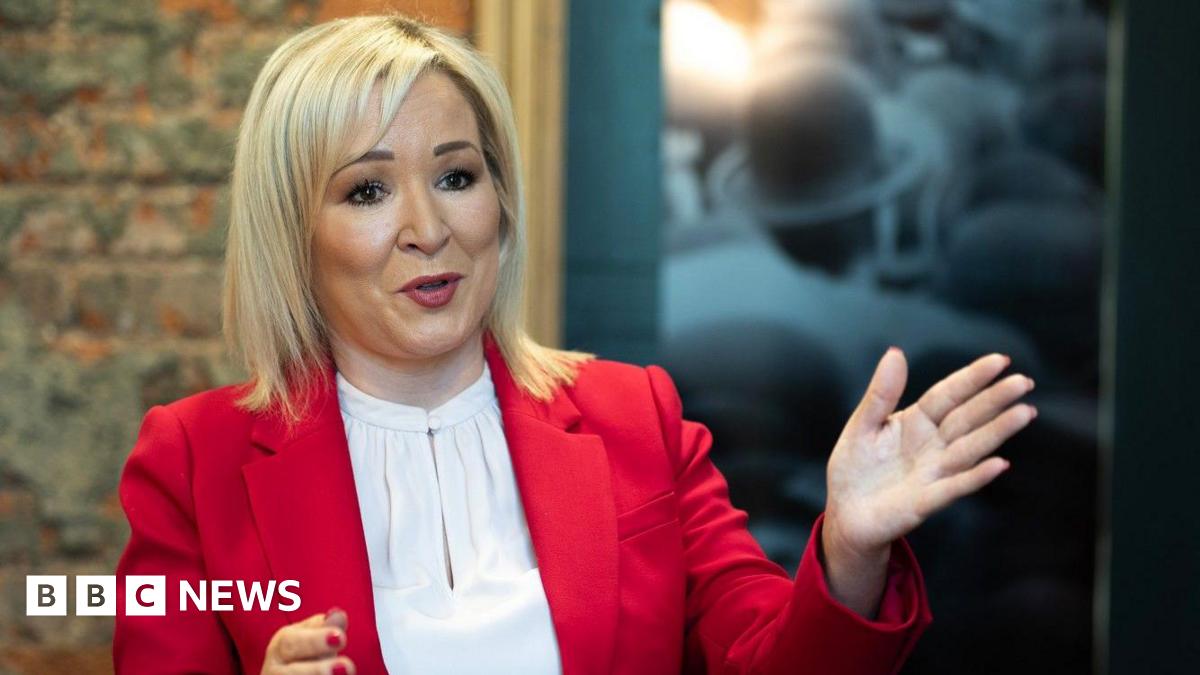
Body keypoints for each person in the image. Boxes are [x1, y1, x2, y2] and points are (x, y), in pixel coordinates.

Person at [111, 13, 1037, 675]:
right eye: (367, 191)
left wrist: (849, 550)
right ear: (291, 231)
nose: (427, 227)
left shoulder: (637, 417)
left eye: (457, 175)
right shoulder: (193, 463)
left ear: (499, 202)